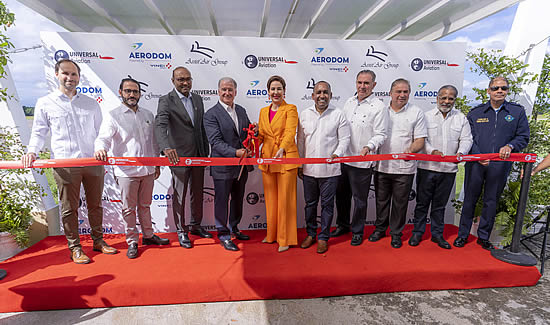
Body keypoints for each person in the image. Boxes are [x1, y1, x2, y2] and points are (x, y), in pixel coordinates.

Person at [22, 59, 117, 264]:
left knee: (95, 205)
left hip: (93, 162)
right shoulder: (45, 103)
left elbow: (101, 133)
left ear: (79, 77)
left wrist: (102, 149)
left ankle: (99, 241)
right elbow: (38, 132)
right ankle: (75, 248)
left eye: (74, 74)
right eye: (65, 73)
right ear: (57, 74)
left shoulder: (91, 103)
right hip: (64, 164)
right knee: (68, 208)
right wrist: (32, 152)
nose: (70, 78)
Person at [94, 78, 170, 259]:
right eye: (128, 91)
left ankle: (149, 236)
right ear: (120, 92)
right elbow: (103, 138)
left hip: (148, 170)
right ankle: (132, 241)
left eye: (135, 92)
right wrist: (101, 148)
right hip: (126, 172)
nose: (132, 95)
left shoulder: (148, 115)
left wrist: (156, 163)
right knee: (129, 208)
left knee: (145, 205)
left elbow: (153, 141)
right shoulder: (113, 115)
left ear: (140, 94)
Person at [454, 77, 530, 250]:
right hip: (476, 164)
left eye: (504, 88)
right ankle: (462, 235)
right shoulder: (476, 113)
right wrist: (478, 155)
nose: (500, 91)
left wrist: (511, 146)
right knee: (469, 200)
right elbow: (468, 138)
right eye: (495, 88)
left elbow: (523, 136)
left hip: (500, 165)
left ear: (508, 91)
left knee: (491, 201)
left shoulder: (517, 112)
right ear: (488, 90)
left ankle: (483, 237)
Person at [409, 85, 473, 249]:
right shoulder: (426, 116)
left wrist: (461, 152)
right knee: (422, 203)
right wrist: (432, 151)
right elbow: (421, 139)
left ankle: (437, 235)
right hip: (427, 167)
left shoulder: (461, 118)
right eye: (443, 97)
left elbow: (466, 140)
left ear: (454, 100)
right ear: (437, 98)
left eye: (450, 98)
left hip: (448, 170)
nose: (446, 101)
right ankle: (417, 233)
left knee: (439, 206)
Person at [155, 67, 211, 249]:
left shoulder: (198, 99)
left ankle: (196, 225)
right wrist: (165, 147)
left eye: (188, 79)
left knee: (198, 192)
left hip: (199, 155)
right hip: (178, 157)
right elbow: (160, 125)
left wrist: (205, 150)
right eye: (180, 79)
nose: (185, 83)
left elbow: (200, 127)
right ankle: (181, 230)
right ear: (173, 81)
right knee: (180, 194)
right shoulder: (166, 100)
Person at [332, 70, 388, 246]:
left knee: (360, 200)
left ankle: (357, 231)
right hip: (344, 159)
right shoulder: (348, 102)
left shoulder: (379, 107)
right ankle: (343, 225)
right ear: (356, 83)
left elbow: (381, 134)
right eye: (359, 82)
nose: (362, 86)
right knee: (341, 196)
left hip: (363, 162)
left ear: (374, 85)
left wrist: (369, 146)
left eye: (366, 83)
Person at [370, 78, 427, 249]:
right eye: (398, 92)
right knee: (381, 201)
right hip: (382, 165)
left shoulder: (416, 112)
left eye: (405, 92)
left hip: (405, 168)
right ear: (390, 93)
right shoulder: (380, 111)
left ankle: (396, 233)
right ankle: (380, 229)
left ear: (409, 93)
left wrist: (412, 150)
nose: (402, 95)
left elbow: (420, 140)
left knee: (400, 203)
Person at [297, 81, 350, 254]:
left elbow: (344, 140)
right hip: (309, 171)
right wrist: (300, 164)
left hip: (330, 171)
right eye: (318, 92)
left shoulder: (339, 114)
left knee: (327, 206)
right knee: (310, 205)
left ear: (330, 95)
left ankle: (323, 237)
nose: (322, 96)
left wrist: (337, 153)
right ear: (313, 95)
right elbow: (301, 142)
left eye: (325, 92)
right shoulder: (304, 114)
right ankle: (311, 234)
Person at [204, 77, 253, 251]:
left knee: (238, 200)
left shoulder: (241, 110)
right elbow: (215, 142)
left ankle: (234, 228)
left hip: (241, 167)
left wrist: (251, 145)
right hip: (222, 167)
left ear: (235, 92)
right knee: (222, 202)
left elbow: (246, 135)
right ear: (218, 91)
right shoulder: (211, 114)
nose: (227, 93)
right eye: (224, 89)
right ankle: (223, 235)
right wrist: (236, 152)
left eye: (230, 89)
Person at [258, 76, 300, 253]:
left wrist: (282, 148)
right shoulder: (262, 111)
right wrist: (251, 141)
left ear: (284, 91)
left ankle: (285, 238)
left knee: (285, 201)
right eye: (273, 89)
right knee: (271, 200)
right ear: (268, 92)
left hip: (286, 159)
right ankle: (272, 234)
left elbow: (291, 131)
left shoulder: (291, 109)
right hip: (267, 160)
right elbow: (261, 135)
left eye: (279, 89)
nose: (276, 92)